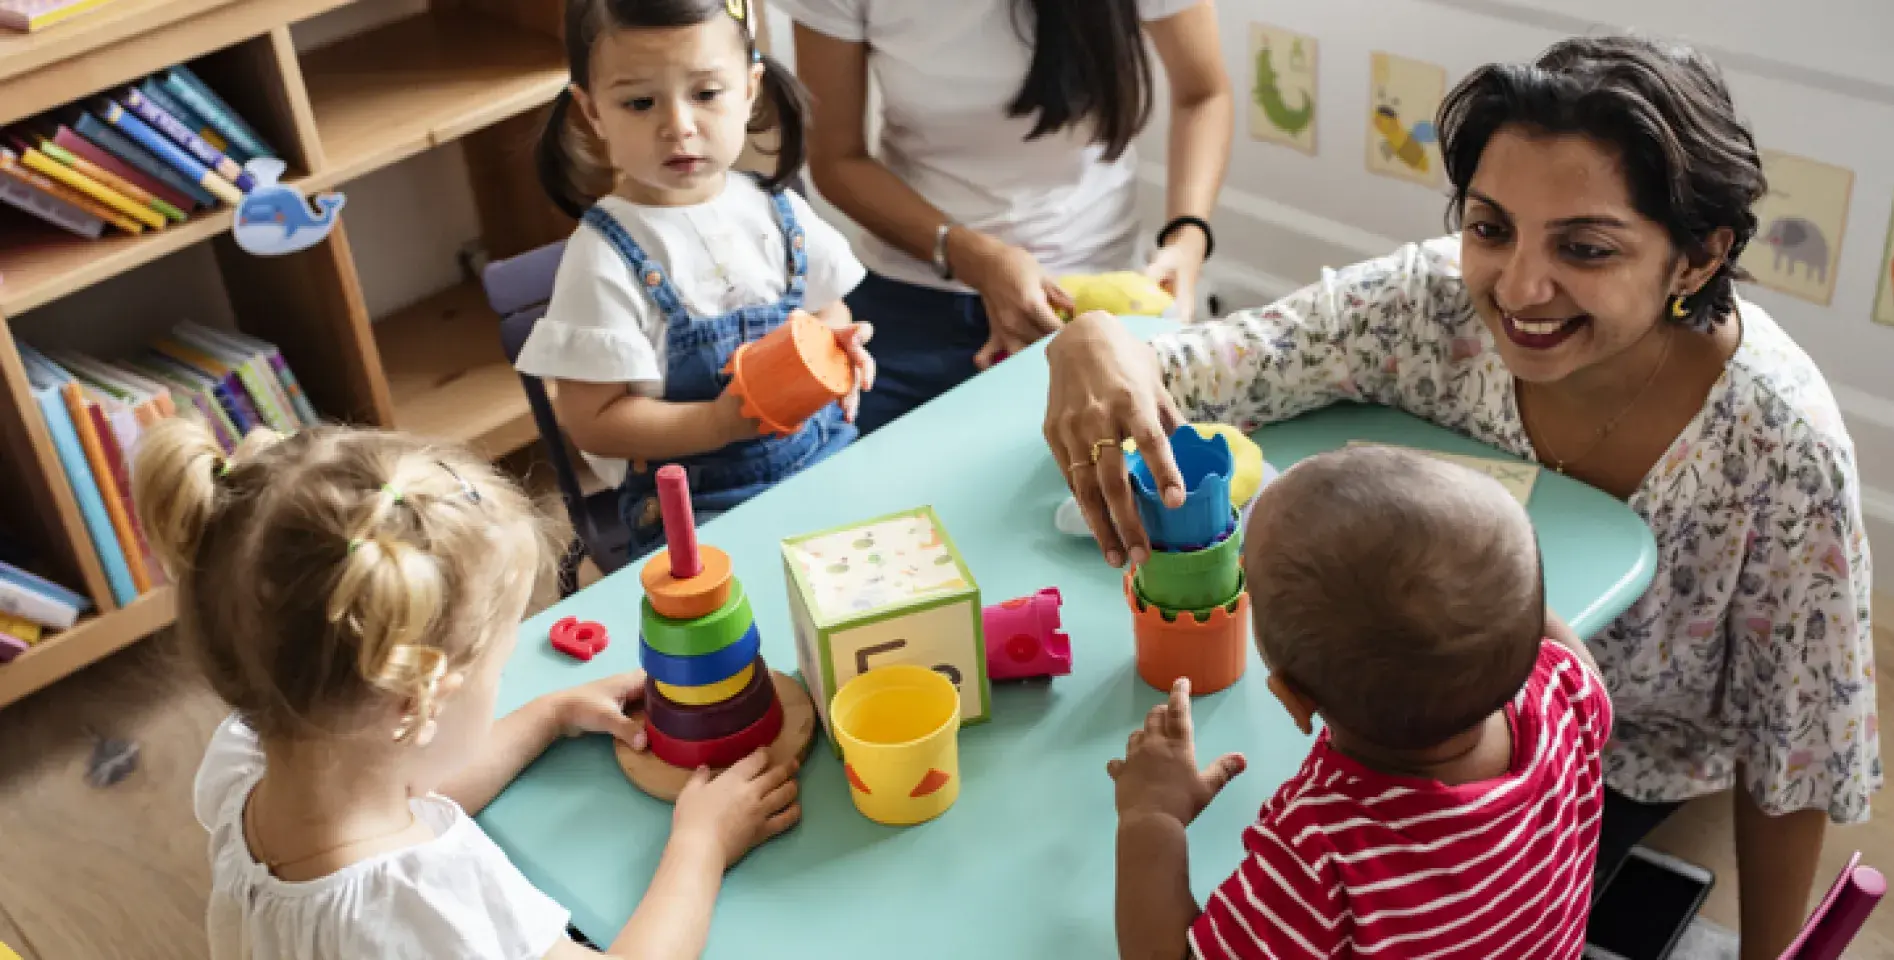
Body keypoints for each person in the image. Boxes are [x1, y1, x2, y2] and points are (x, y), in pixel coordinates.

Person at [1046, 36, 1877, 960]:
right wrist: (1097, 341)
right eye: (1489, 227)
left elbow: (1796, 747)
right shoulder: (1425, 306)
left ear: (1697, 256)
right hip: (1406, 717)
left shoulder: (1780, 445)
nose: (1519, 288)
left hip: (1620, 767)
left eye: (1586, 246)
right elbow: (1206, 369)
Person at [132, 419, 801, 959]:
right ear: (417, 703)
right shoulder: (427, 907)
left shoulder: (249, 764)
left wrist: (549, 714)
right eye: (498, 667)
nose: (504, 682)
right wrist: (700, 846)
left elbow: (406, 791)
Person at [1110, 446, 1612, 958]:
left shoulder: (1322, 857)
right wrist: (1485, 588)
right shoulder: (1566, 694)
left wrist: (1152, 818)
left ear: (1295, 699)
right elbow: (1552, 643)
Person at [521, 0, 877, 557]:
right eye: (639, 103)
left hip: (824, 452)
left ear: (750, 87)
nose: (678, 127)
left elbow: (829, 309)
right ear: (592, 113)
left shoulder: (774, 208)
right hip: (700, 509)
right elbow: (593, 421)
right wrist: (717, 424)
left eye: (706, 94)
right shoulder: (603, 258)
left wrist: (836, 348)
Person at [776, 0, 1232, 433]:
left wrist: (1187, 241)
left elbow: (1203, 94)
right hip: (913, 293)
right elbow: (837, 159)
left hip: (1093, 294)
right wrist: (972, 255)